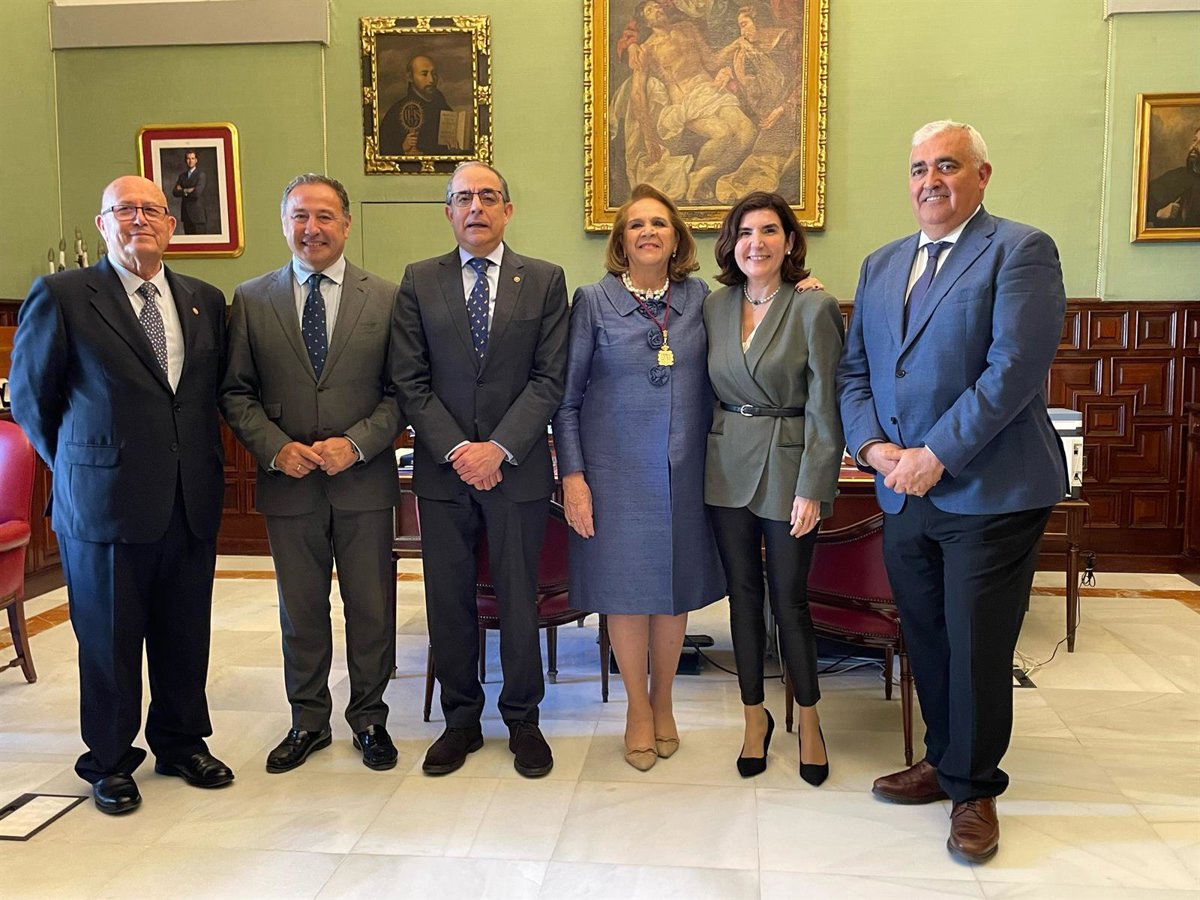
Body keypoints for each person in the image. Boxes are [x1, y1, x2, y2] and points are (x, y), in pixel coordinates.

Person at [837, 120, 1067, 863]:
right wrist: (873, 449)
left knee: (976, 646)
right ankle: (942, 760)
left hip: (990, 489)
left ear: (981, 175)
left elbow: (1013, 371)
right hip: (902, 490)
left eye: (947, 166)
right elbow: (856, 373)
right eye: (918, 169)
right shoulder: (880, 264)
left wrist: (935, 454)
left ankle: (974, 789)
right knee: (928, 636)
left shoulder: (1020, 250)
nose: (929, 181)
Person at [9, 175, 233, 814]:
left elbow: (204, 396)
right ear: (103, 223)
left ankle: (181, 743)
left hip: (188, 498)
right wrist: (79, 468)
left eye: (152, 210)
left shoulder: (203, 299)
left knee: (184, 632)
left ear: (171, 225)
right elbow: (30, 399)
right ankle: (108, 760)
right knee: (109, 640)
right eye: (125, 209)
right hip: (102, 505)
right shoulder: (63, 295)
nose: (140, 219)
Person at [220, 174, 404, 774]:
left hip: (363, 483)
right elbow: (236, 391)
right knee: (300, 612)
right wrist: (276, 449)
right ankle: (308, 721)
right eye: (300, 216)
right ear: (284, 224)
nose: (312, 228)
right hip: (289, 484)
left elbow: (401, 393)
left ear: (346, 224)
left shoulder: (387, 297)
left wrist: (357, 444)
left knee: (370, 609)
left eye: (324, 216)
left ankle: (370, 719)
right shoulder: (252, 298)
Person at [391, 161, 568, 778]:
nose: (476, 208)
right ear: (448, 212)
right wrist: (460, 451)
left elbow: (549, 379)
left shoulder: (543, 280)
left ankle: (523, 719)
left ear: (508, 210)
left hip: (516, 471)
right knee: (449, 601)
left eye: (488, 196)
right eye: (463, 198)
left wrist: (498, 448)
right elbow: (409, 380)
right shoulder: (419, 280)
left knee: (519, 599)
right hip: (444, 475)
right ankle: (461, 720)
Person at [552, 183, 725, 771]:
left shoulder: (702, 299)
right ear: (621, 241)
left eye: (659, 223)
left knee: (673, 593)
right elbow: (566, 401)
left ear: (677, 238)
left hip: (685, 475)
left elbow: (757, 313)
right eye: (636, 224)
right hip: (614, 477)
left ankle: (664, 700)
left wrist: (801, 285)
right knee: (625, 595)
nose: (648, 232)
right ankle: (635, 707)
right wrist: (573, 477)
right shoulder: (592, 301)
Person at [704, 191, 844, 784]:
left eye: (768, 231)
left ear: (789, 242)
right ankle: (753, 718)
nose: (755, 243)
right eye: (744, 233)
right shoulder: (714, 306)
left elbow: (825, 404)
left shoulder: (814, 306)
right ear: (731, 244)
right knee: (741, 598)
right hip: (724, 467)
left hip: (789, 471)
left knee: (789, 599)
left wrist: (814, 485)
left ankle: (808, 720)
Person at [379, 54, 456, 157]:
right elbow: (382, 149)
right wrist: (401, 147)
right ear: (410, 77)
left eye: (434, 74)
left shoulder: (444, 108)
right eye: (424, 74)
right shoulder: (396, 112)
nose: (431, 80)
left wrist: (455, 151)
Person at [1145, 125, 1200, 228]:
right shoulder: (1175, 177)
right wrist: (1158, 213)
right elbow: (1139, 202)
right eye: (1194, 140)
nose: (1194, 146)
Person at [172, 150, 209, 234]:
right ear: (185, 160)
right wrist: (187, 190)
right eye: (188, 158)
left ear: (196, 160)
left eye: (192, 158)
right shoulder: (182, 176)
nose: (190, 161)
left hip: (198, 216)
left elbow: (196, 194)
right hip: (186, 215)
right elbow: (175, 192)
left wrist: (182, 190)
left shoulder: (201, 175)